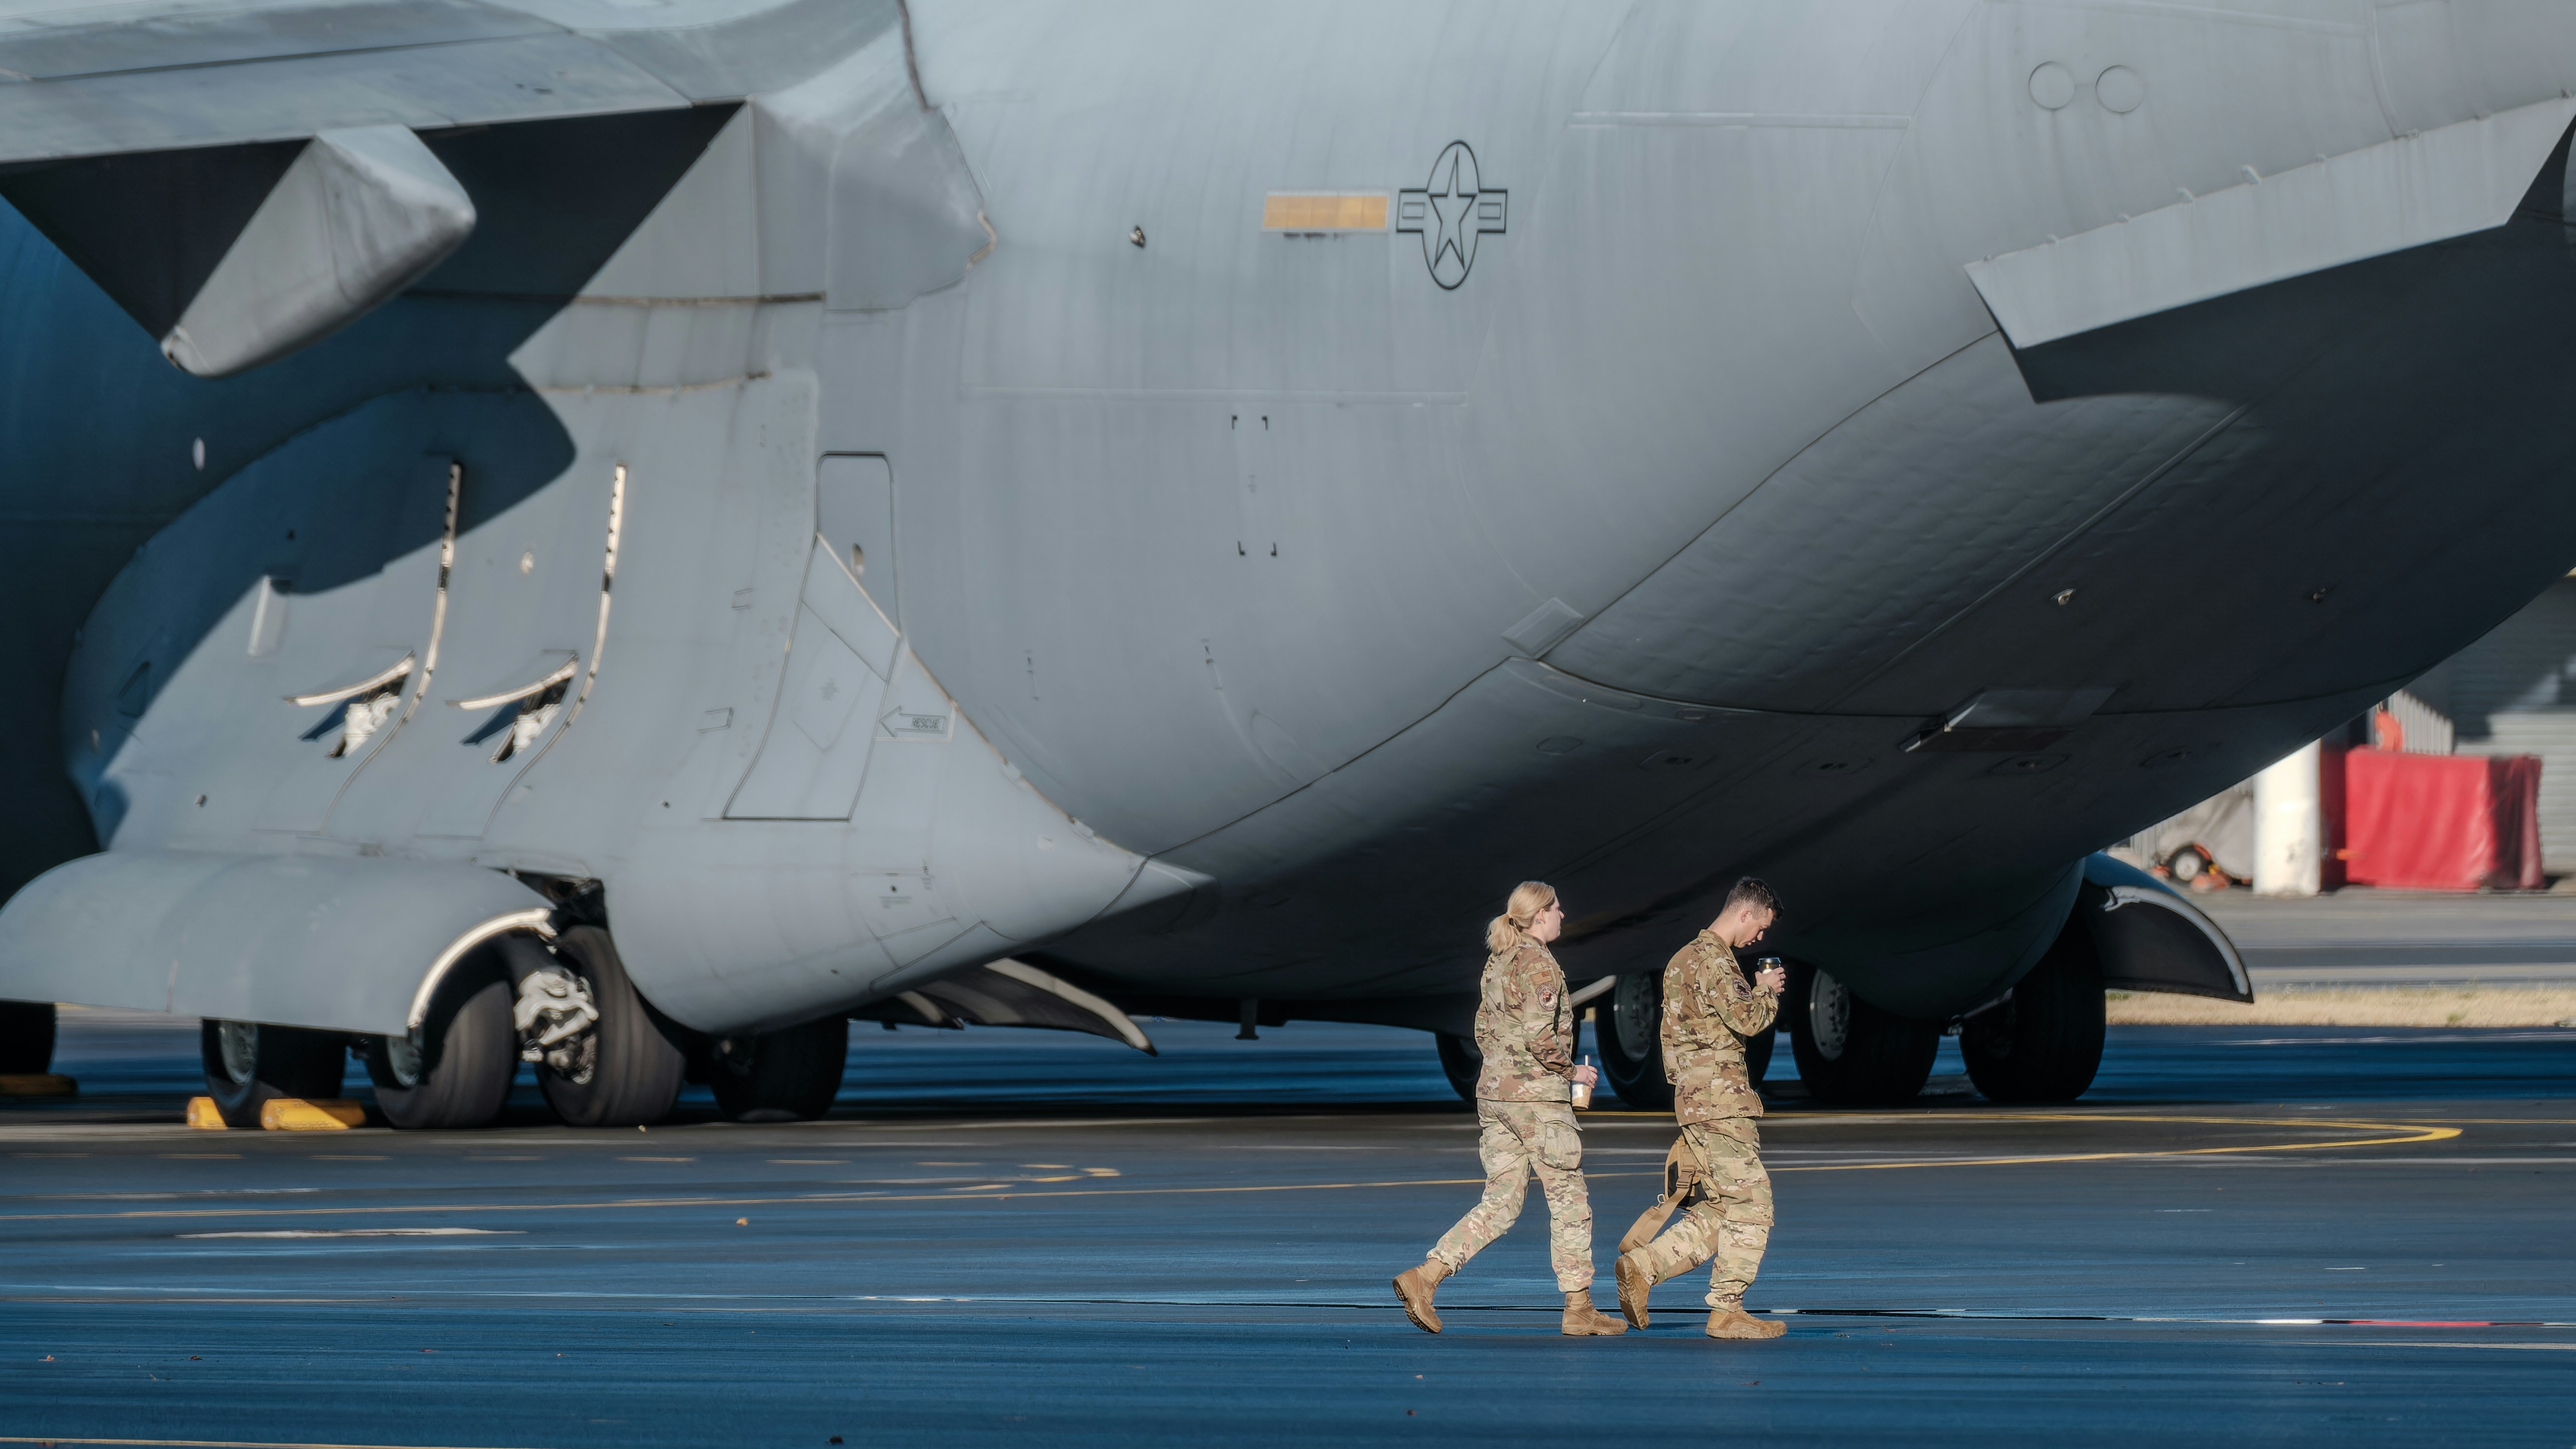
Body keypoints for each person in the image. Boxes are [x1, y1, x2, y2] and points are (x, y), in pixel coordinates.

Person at [1393, 881, 1627, 1337]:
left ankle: (1427, 1277)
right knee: (1569, 1201)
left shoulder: (1498, 962)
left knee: (1500, 1204)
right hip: (1537, 1101)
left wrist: (1505, 1071)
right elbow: (1541, 1036)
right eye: (1557, 908)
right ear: (1539, 915)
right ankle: (1578, 1307)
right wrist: (1571, 1073)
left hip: (1495, 1097)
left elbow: (1481, 1028)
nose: (1563, 914)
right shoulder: (1539, 965)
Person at [1613, 877, 1787, 1340]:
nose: (1760, 938)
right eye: (1762, 927)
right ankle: (1727, 1309)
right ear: (1745, 913)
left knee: (1720, 1209)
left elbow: (1669, 1038)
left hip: (1692, 1100)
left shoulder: (1680, 960)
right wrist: (1766, 988)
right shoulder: (1717, 962)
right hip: (1721, 1101)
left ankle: (1644, 1267)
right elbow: (1747, 1020)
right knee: (1752, 1204)